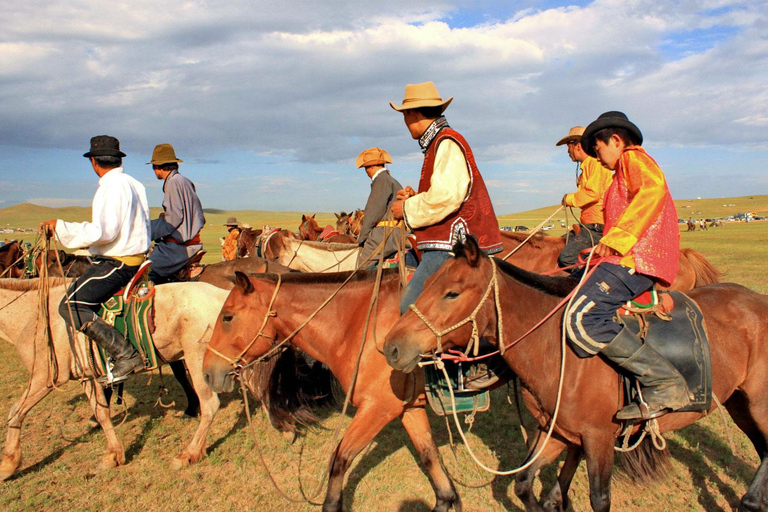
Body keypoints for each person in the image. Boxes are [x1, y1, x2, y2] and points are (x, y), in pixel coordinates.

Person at [565, 111, 690, 421]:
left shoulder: (633, 158)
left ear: (616, 141)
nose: (598, 156)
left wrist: (618, 240)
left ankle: (664, 382)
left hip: (639, 257)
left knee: (584, 317)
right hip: (624, 255)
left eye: (598, 148)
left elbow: (652, 191)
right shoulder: (621, 170)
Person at [40, 135, 151, 383]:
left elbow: (104, 231)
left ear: (93, 162)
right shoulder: (134, 183)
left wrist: (60, 228)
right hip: (135, 258)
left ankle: (125, 355)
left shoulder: (111, 187)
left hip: (118, 261)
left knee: (70, 306)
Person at [389, 81, 503, 314]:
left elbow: (447, 197)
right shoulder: (438, 142)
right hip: (448, 244)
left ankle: (430, 352)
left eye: (404, 115)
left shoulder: (446, 141)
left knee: (410, 309)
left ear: (412, 113)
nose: (405, 122)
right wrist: (415, 197)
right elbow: (446, 192)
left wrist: (406, 208)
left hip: (451, 247)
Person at [146, 143, 206, 284]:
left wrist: (147, 230)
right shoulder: (184, 181)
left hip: (178, 247)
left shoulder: (173, 182)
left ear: (158, 167)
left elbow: (174, 218)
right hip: (191, 241)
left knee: (146, 272)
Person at [555, 126, 613, 269]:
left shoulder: (595, 164)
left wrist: (569, 199)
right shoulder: (586, 167)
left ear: (577, 146)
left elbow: (592, 193)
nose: (568, 152)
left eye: (568, 148)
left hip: (597, 227)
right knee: (555, 246)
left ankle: (590, 281)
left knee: (567, 258)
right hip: (588, 226)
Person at [354, 148, 404, 268]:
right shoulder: (391, 180)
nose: (366, 171)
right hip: (397, 231)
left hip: (385, 234)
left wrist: (362, 238)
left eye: (366, 167)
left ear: (372, 166)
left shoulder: (381, 180)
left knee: (362, 267)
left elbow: (373, 213)